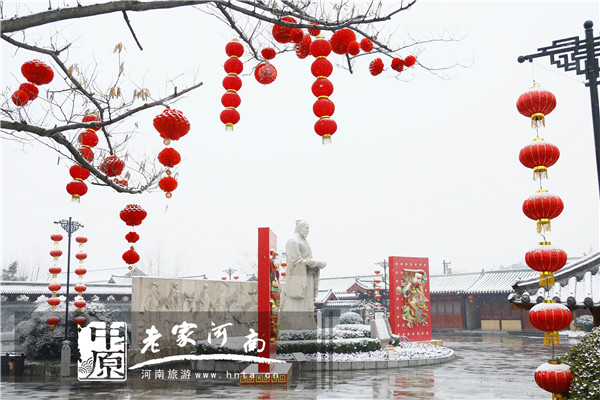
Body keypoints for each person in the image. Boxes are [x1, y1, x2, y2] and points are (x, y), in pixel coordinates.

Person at [280, 220, 326, 330]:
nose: (308, 231)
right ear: (300, 228)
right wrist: (313, 263)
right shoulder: (292, 241)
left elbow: (305, 260)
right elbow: (294, 262)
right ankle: (294, 326)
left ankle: (306, 325)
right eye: (306, 228)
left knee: (307, 305)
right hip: (299, 277)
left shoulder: (304, 241)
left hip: (307, 276)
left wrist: (313, 264)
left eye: (308, 228)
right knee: (297, 305)